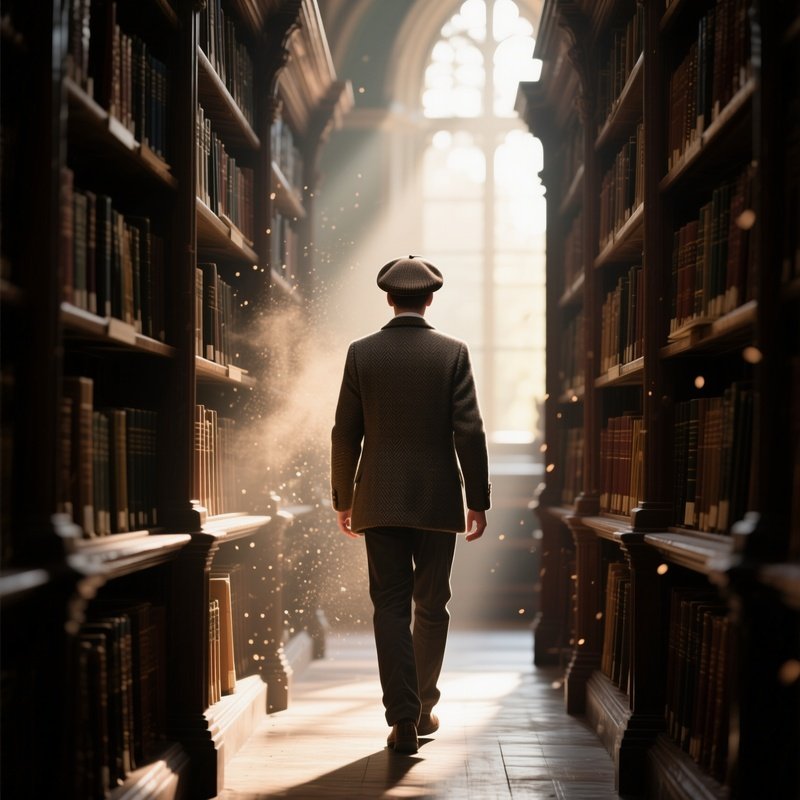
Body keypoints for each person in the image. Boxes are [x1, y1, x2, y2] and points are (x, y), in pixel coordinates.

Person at [330, 255, 491, 755]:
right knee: (433, 605)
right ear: (430, 298)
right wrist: (478, 500)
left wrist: (344, 499)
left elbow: (345, 433)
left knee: (390, 608)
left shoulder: (362, 353)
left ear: (388, 297)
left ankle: (401, 718)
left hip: (377, 498)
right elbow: (470, 431)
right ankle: (422, 708)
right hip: (438, 501)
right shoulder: (452, 353)